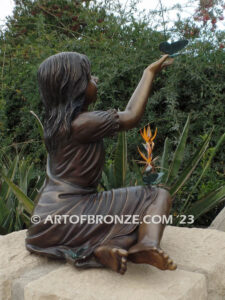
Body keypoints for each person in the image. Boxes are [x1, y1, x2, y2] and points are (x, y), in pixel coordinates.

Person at [26, 52, 176, 275]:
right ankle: (147, 243)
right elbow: (132, 115)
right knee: (155, 196)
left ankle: (104, 249)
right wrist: (149, 73)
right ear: (73, 89)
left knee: (130, 220)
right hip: (73, 210)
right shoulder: (84, 122)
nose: (95, 79)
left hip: (45, 222)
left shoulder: (54, 125)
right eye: (88, 77)